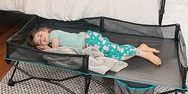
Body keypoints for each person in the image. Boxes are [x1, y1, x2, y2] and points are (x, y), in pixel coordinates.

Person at [28, 27, 161, 65]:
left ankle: (144, 54)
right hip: (91, 41)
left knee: (117, 55)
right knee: (115, 50)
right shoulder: (51, 41)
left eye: (40, 36)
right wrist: (46, 47)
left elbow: (56, 50)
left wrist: (47, 49)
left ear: (45, 31)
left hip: (91, 40)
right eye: (39, 42)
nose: (42, 40)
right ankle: (140, 48)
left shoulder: (53, 35)